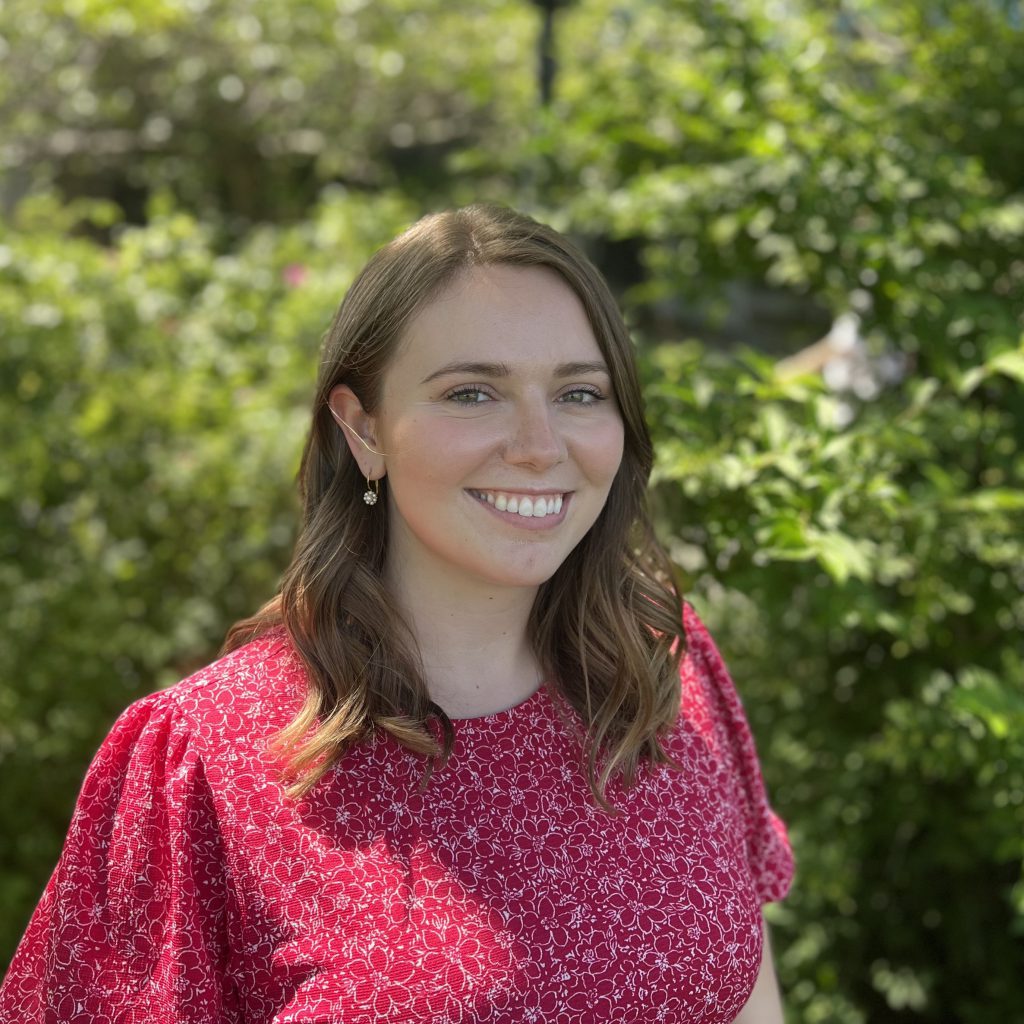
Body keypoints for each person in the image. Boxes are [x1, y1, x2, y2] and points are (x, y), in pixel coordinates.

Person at [0, 205, 794, 1023]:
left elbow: (748, 1000)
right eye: (473, 392)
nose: (538, 443)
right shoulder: (203, 761)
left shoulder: (665, 669)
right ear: (363, 427)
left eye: (579, 392)